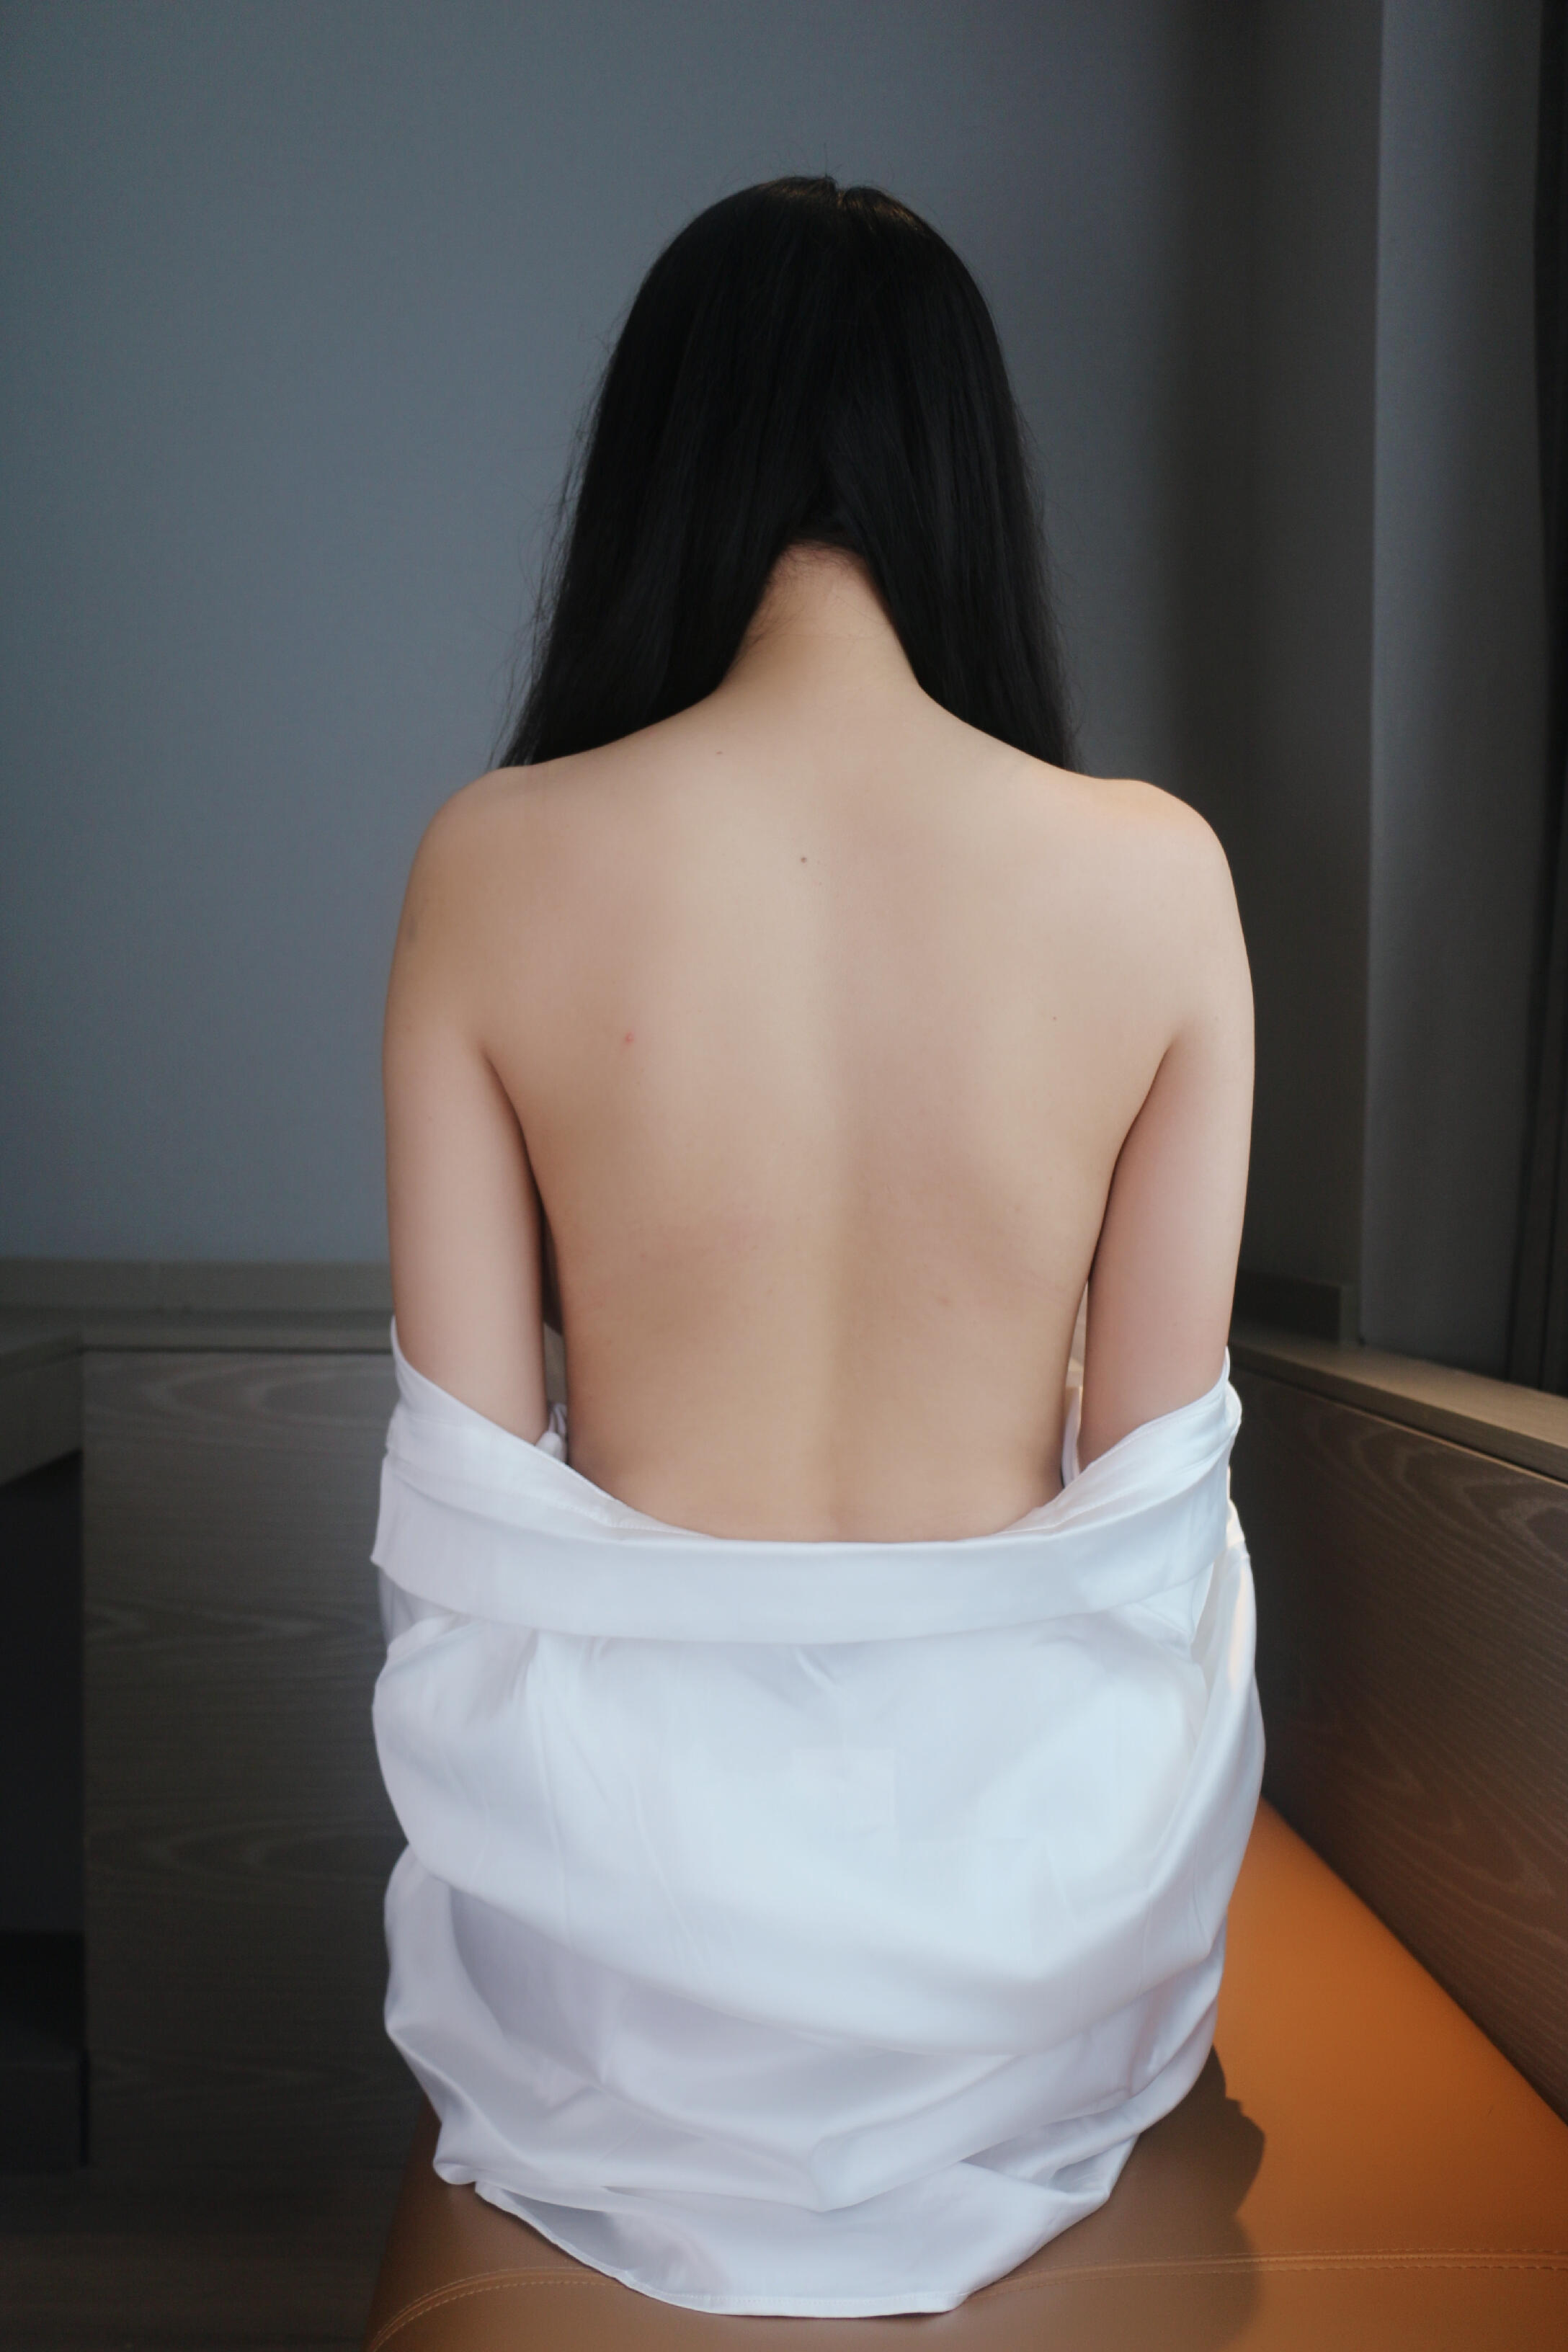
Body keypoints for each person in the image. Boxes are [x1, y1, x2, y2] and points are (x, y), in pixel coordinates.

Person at [370, 177, 1262, 2318]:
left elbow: (467, 1512)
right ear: (965, 467)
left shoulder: (496, 861)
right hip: (1032, 1949)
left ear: (661, 459)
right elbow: (1154, 1511)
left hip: (620, 1962)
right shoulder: (1157, 876)